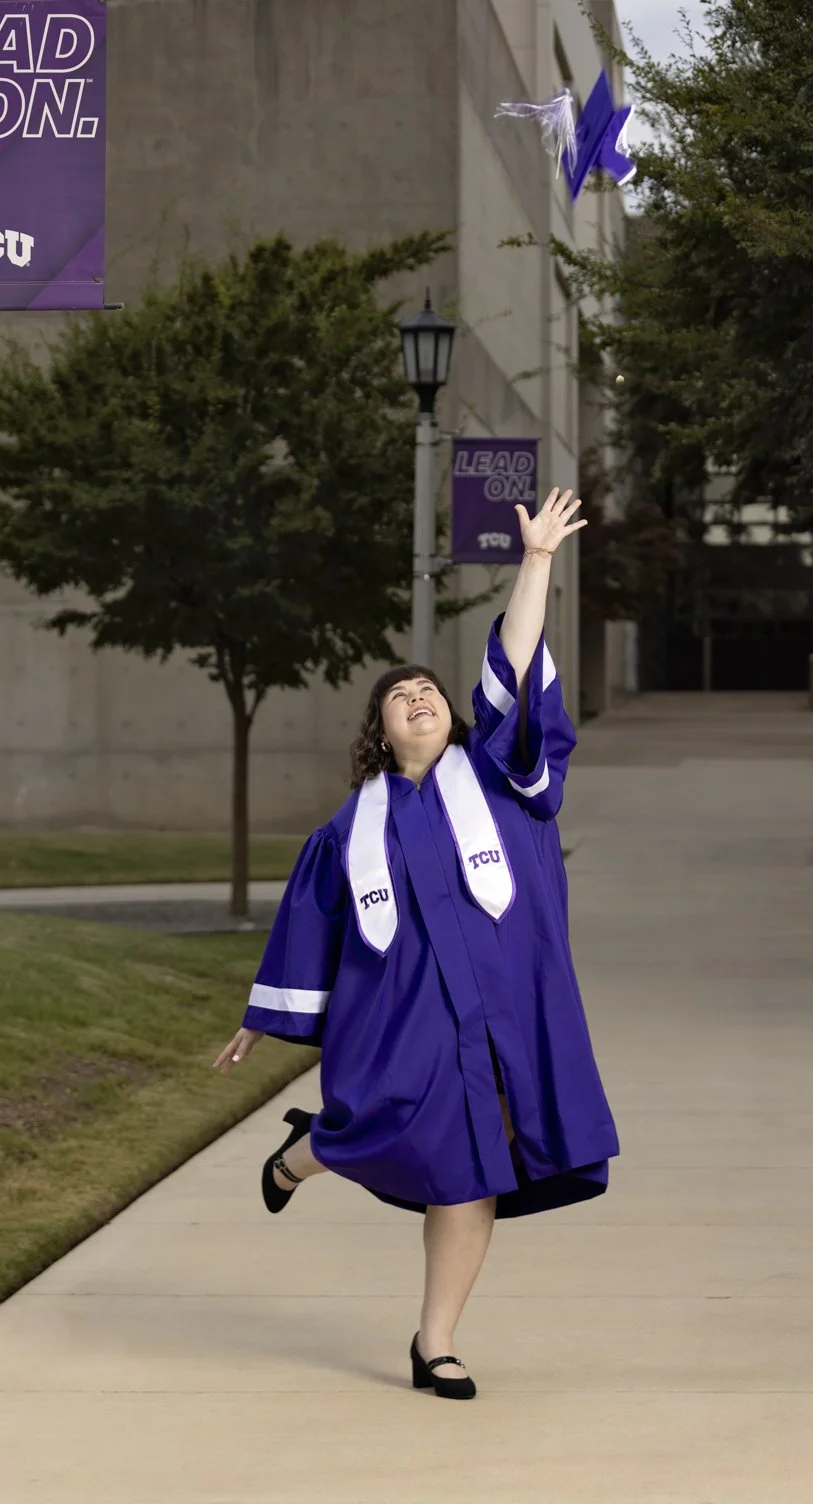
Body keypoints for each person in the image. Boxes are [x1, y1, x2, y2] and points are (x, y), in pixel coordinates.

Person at [214, 487, 618, 1401]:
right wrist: (259, 1019)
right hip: (405, 1027)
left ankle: (434, 1343)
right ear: (380, 731)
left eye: (428, 689)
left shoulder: (504, 784)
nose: (417, 698)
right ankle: (303, 1152)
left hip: (505, 1019)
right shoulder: (348, 831)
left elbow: (512, 668)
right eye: (399, 697)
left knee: (469, 1174)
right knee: (377, 1124)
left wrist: (538, 563)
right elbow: (306, 935)